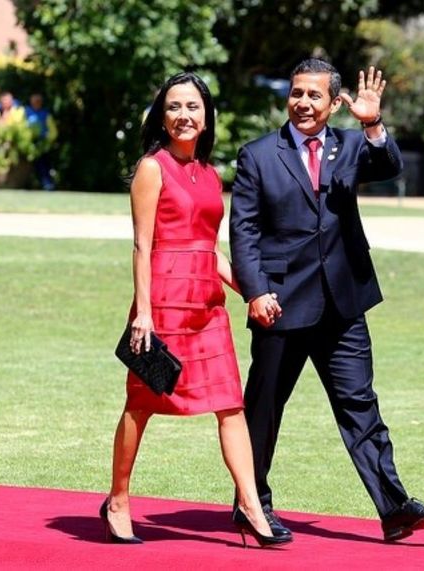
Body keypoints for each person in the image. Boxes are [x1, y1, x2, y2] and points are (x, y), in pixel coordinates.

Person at [229, 58, 424, 542]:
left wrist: (372, 122)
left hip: (343, 304)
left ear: (333, 103)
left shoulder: (352, 145)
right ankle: (253, 503)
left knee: (360, 405)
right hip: (280, 305)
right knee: (264, 409)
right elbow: (243, 232)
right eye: (296, 93)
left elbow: (389, 166)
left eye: (314, 95)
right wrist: (256, 290)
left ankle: (394, 509)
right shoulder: (258, 155)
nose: (303, 102)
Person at [102, 71, 290, 549]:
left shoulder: (208, 175)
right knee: (141, 405)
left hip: (207, 307)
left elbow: (210, 249)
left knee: (231, 406)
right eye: (173, 107)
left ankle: (251, 506)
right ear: (162, 118)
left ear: (206, 118)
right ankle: (118, 501)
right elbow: (142, 246)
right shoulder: (152, 167)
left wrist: (251, 292)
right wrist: (142, 313)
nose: (183, 116)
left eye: (192, 107)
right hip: (162, 303)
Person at [24, 92, 58, 190]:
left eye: (38, 101)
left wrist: (47, 138)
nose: (36, 103)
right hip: (28, 144)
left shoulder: (45, 114)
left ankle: (47, 183)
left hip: (42, 145)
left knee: (43, 164)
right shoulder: (26, 112)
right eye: (34, 101)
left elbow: (53, 131)